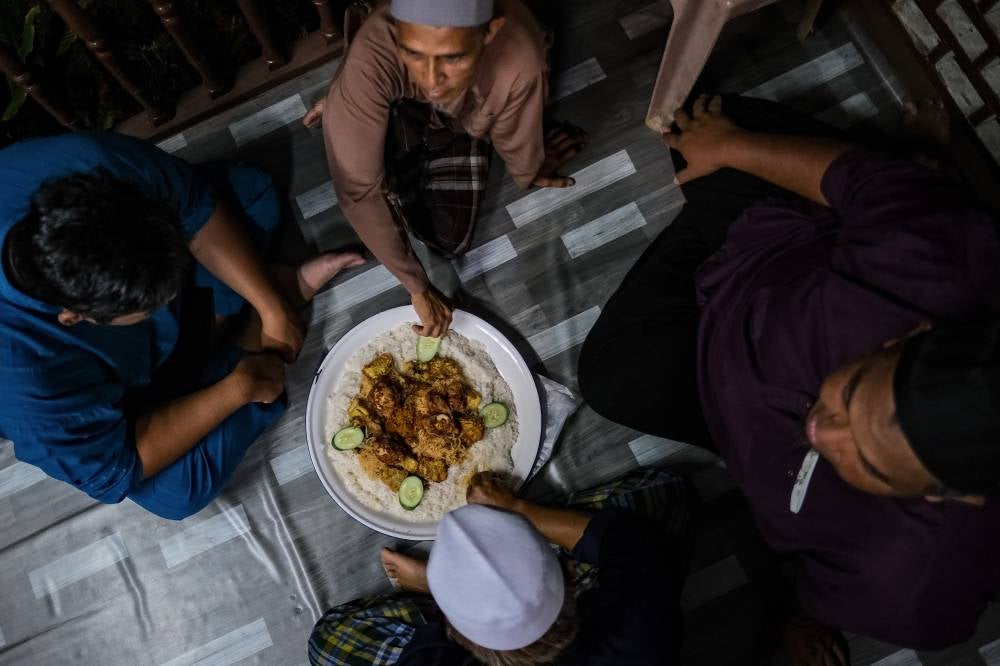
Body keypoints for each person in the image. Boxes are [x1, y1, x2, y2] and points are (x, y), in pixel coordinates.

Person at [577, 94, 1000, 662]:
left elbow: (834, 595)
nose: (822, 433)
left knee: (611, 378)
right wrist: (733, 146)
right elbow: (855, 179)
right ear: (907, 337)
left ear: (954, 496)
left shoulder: (912, 577)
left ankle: (903, 169)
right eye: (849, 391)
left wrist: (799, 619)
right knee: (695, 117)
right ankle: (906, 164)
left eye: (869, 464)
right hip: (768, 248)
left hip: (730, 409)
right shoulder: (940, 259)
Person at [0, 132, 364, 520]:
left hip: (149, 298)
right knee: (178, 492)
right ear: (75, 318)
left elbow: (194, 208)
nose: (166, 300)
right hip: (109, 395)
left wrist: (271, 306)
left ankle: (255, 316)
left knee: (251, 192)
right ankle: (248, 337)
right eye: (145, 308)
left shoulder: (87, 161)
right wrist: (236, 390)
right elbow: (118, 465)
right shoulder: (28, 387)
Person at [304, 0, 587, 338]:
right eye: (414, 54)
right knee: (356, 137)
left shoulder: (518, 58)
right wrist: (418, 287)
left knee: (449, 239)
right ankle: (351, 108)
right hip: (398, 102)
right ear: (397, 32)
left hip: (462, 119)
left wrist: (530, 166)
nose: (431, 80)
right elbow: (358, 191)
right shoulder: (376, 48)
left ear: (489, 32)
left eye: (453, 58)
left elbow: (517, 143)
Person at [308, 469, 697, 665]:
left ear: (454, 633)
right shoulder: (642, 625)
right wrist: (518, 509)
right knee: (665, 491)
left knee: (326, 642)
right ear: (566, 572)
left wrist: (432, 585)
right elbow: (631, 540)